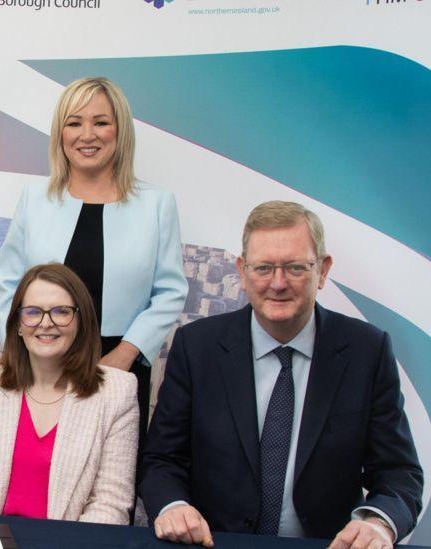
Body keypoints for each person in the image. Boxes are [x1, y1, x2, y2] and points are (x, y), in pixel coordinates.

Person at [139, 201, 423, 548]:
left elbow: (399, 473)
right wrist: (174, 506)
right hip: (215, 544)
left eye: (295, 267)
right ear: (242, 272)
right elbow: (161, 460)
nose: (278, 283)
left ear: (324, 269)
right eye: (263, 268)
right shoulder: (198, 347)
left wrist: (378, 523)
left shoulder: (367, 351)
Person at [0, 76, 187, 443]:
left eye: (101, 122)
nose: (87, 135)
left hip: (119, 364)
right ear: (60, 133)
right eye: (74, 122)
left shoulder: (156, 203)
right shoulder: (35, 198)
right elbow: (8, 281)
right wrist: (22, 350)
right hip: (41, 357)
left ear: (121, 131)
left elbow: (170, 291)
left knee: (111, 480)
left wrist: (126, 356)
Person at [0, 263, 138, 524]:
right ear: (18, 325)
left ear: (81, 322)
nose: (46, 324)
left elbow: (111, 504)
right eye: (33, 312)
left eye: (61, 312)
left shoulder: (117, 393)